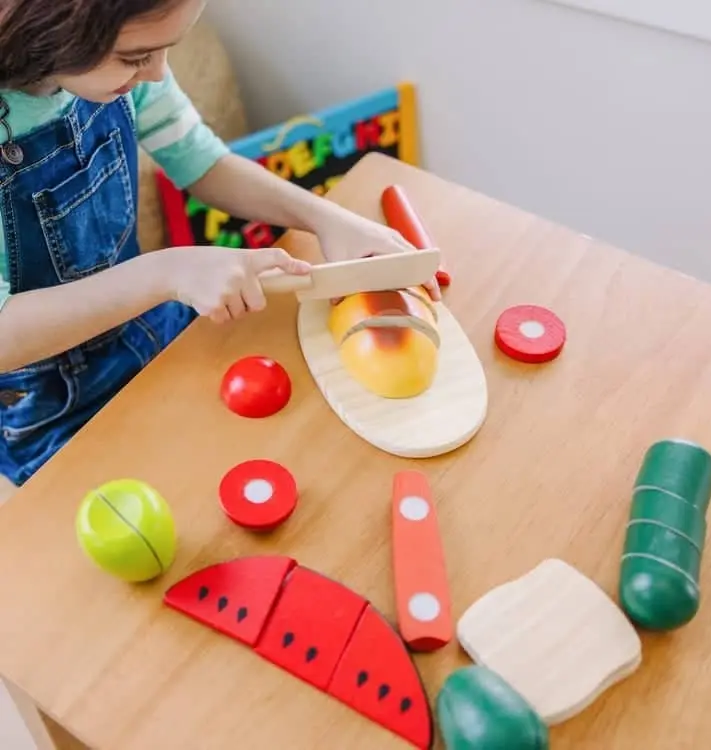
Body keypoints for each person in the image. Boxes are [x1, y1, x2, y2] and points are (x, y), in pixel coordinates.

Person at [0, 0, 441, 487]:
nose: (157, 72)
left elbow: (200, 160)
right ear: (49, 22)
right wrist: (166, 274)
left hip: (151, 330)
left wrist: (326, 219)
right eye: (135, 57)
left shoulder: (122, 71)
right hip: (43, 405)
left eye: (167, 49)